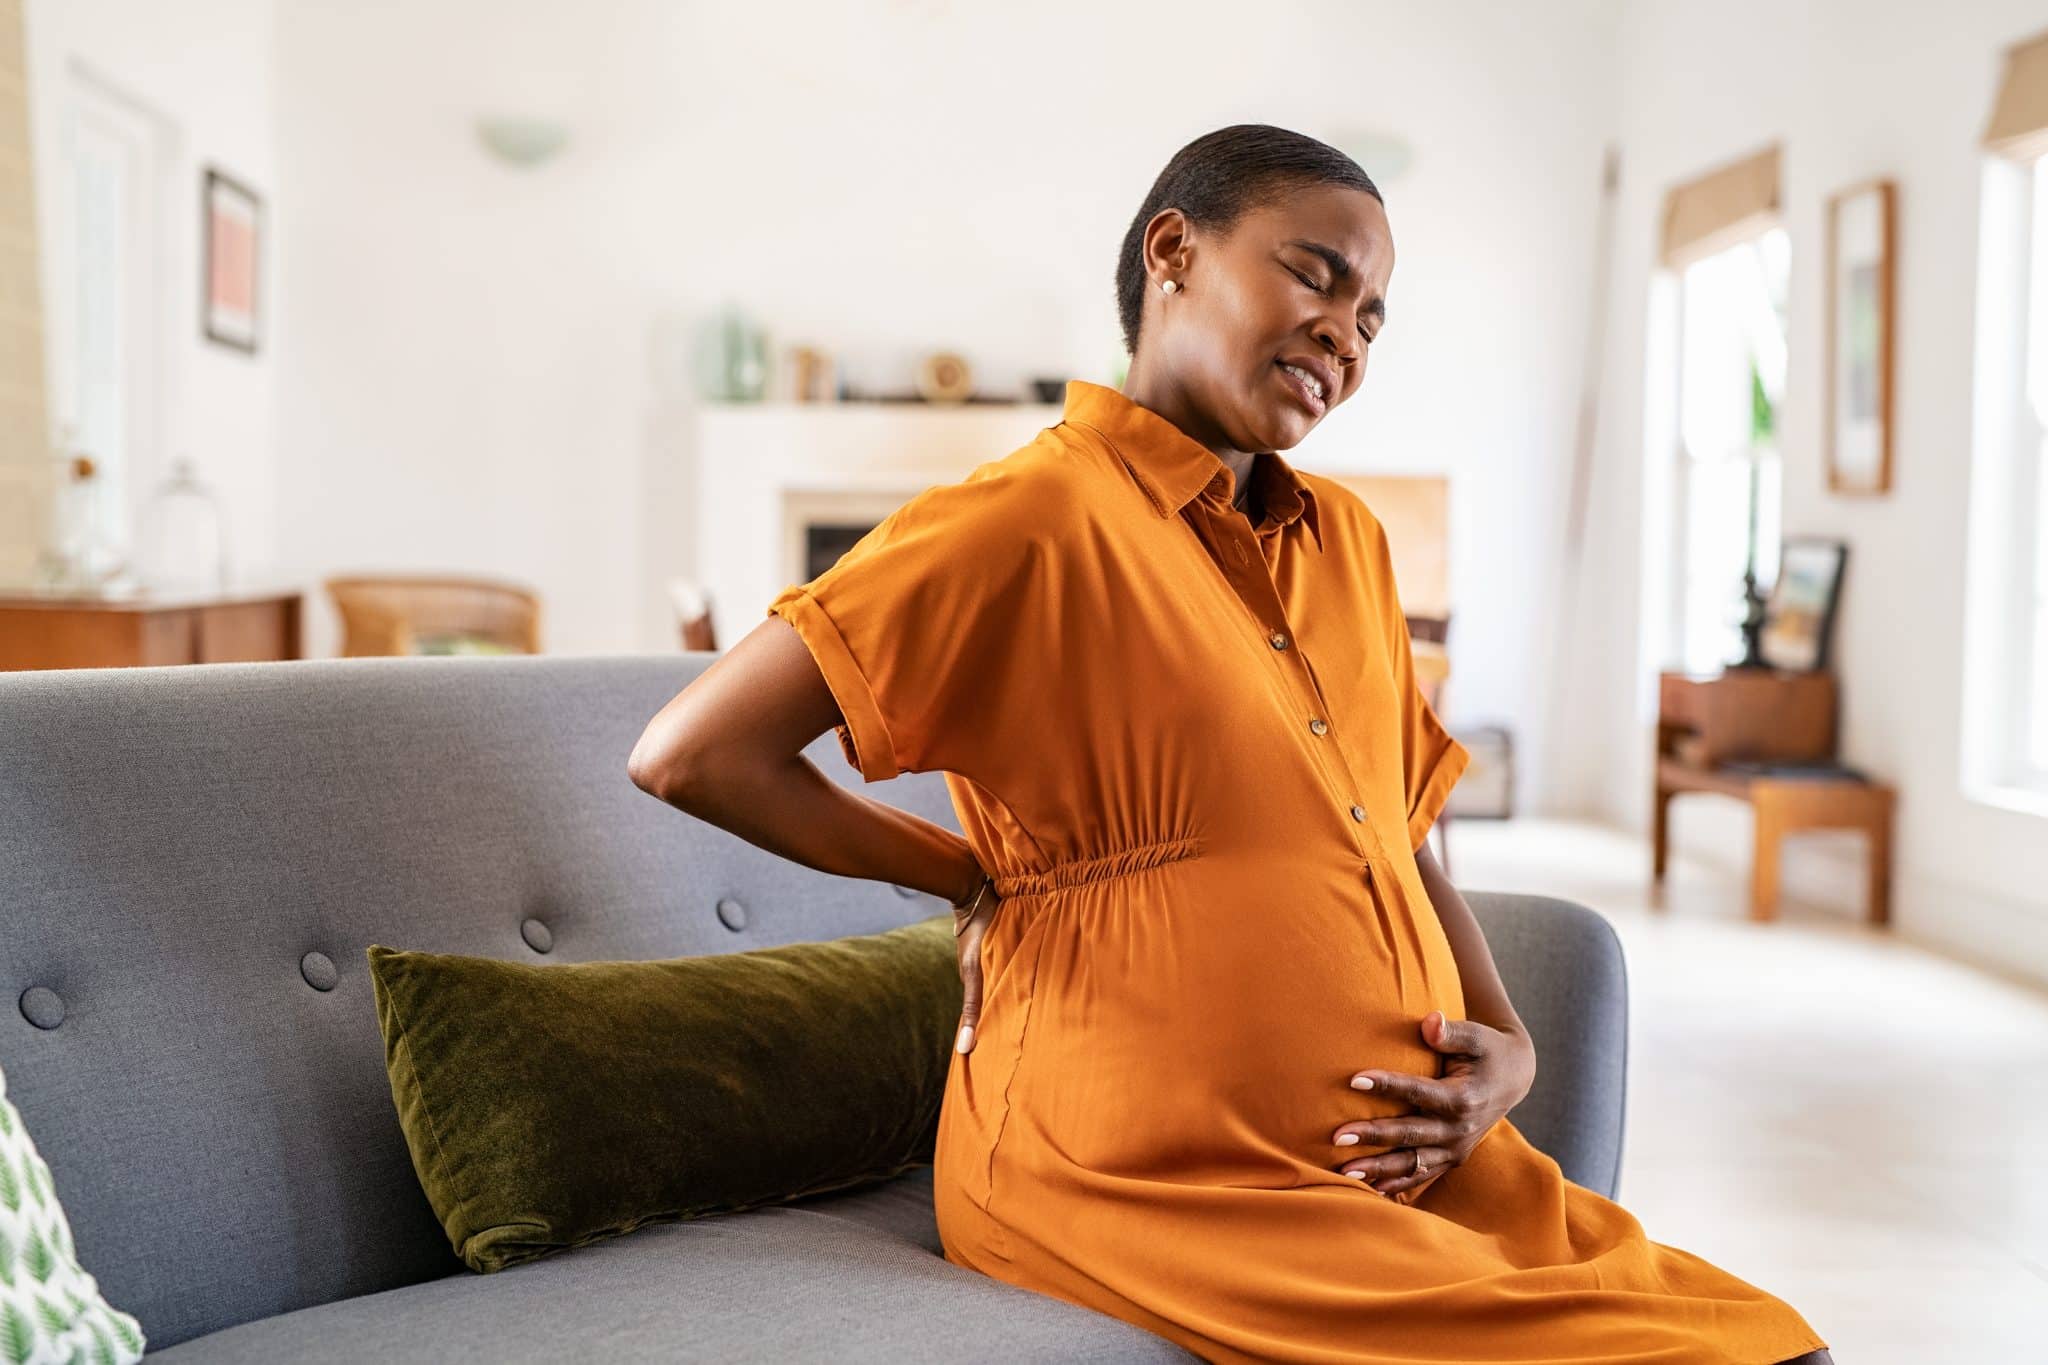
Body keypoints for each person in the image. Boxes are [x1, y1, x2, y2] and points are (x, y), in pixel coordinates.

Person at [628, 123, 1833, 1365]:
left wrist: (1510, 1046)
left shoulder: (1350, 544)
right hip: (1139, 1177)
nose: (1344, 336)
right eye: (1316, 276)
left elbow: (1398, 826)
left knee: (1769, 1340)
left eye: (1370, 317)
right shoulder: (1024, 520)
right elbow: (693, 753)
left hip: (1403, 1164)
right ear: (1173, 253)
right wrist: (967, 877)